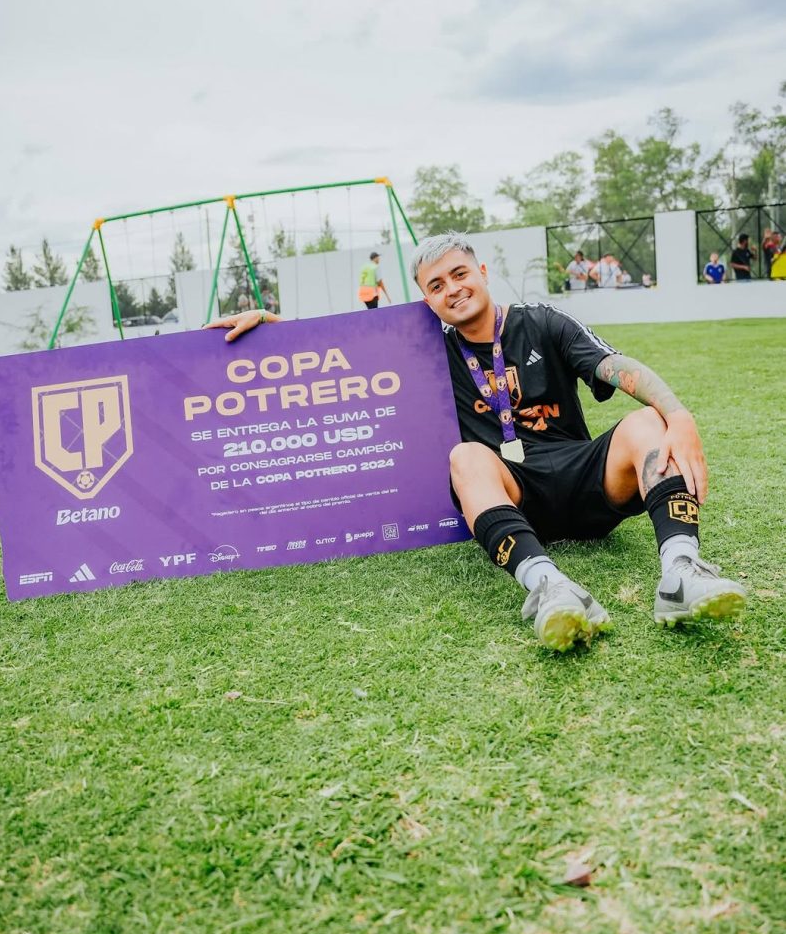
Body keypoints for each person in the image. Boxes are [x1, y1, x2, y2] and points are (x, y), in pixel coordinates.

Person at [204, 232, 747, 652]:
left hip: (587, 480)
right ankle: (550, 587)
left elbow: (614, 366)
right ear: (426, 301)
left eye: (459, 274)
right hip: (515, 497)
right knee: (465, 457)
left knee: (647, 423)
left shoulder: (542, 321)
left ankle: (681, 573)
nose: (452, 289)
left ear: (482, 273)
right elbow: (343, 347)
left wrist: (677, 412)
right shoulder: (426, 350)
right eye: (435, 286)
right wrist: (275, 325)